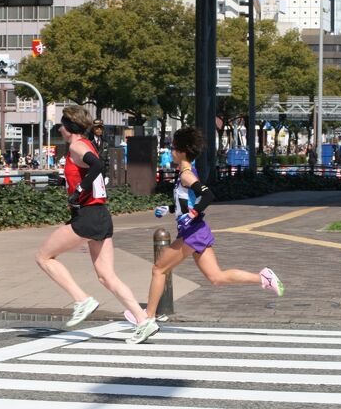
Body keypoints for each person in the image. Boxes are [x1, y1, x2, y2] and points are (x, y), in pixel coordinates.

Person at [127, 127, 284, 344]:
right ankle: (263, 277)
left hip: (192, 232)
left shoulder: (187, 174)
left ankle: (148, 319)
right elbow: (188, 202)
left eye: (173, 148)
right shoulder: (186, 173)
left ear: (182, 151)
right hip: (197, 231)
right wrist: (170, 209)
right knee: (216, 278)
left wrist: (192, 214)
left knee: (159, 269)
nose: (171, 151)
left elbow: (207, 195)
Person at [34, 105, 156, 340]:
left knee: (43, 257)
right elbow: (91, 169)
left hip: (88, 216)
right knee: (106, 276)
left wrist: (79, 188)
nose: (59, 128)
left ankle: (82, 299)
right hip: (100, 215)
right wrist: (69, 185)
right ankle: (143, 320)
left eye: (61, 125)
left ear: (69, 128)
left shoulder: (77, 146)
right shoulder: (86, 144)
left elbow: (98, 165)